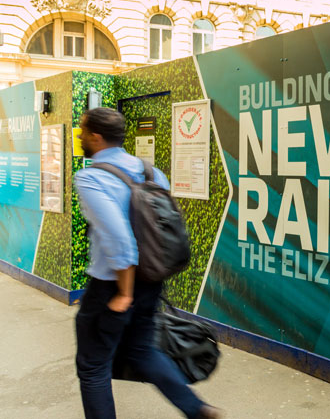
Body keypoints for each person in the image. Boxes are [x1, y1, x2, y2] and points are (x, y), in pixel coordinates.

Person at [74, 107, 221, 419]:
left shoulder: (90, 178)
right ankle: (196, 409)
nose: (80, 135)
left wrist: (123, 294)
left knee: (93, 366)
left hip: (112, 287)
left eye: (83, 130)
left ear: (97, 137)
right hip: (151, 281)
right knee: (141, 350)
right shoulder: (151, 172)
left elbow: (119, 240)